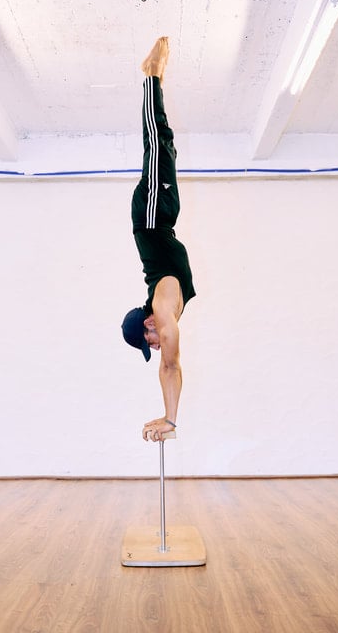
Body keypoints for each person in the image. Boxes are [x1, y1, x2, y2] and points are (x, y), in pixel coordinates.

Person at [121, 37, 196, 442]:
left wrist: (169, 419)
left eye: (148, 339)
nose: (156, 342)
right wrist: (170, 418)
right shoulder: (165, 308)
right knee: (165, 146)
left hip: (151, 219)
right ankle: (154, 80)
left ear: (148, 323)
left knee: (157, 139)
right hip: (160, 217)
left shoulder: (162, 309)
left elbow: (169, 365)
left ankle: (151, 76)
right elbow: (169, 363)